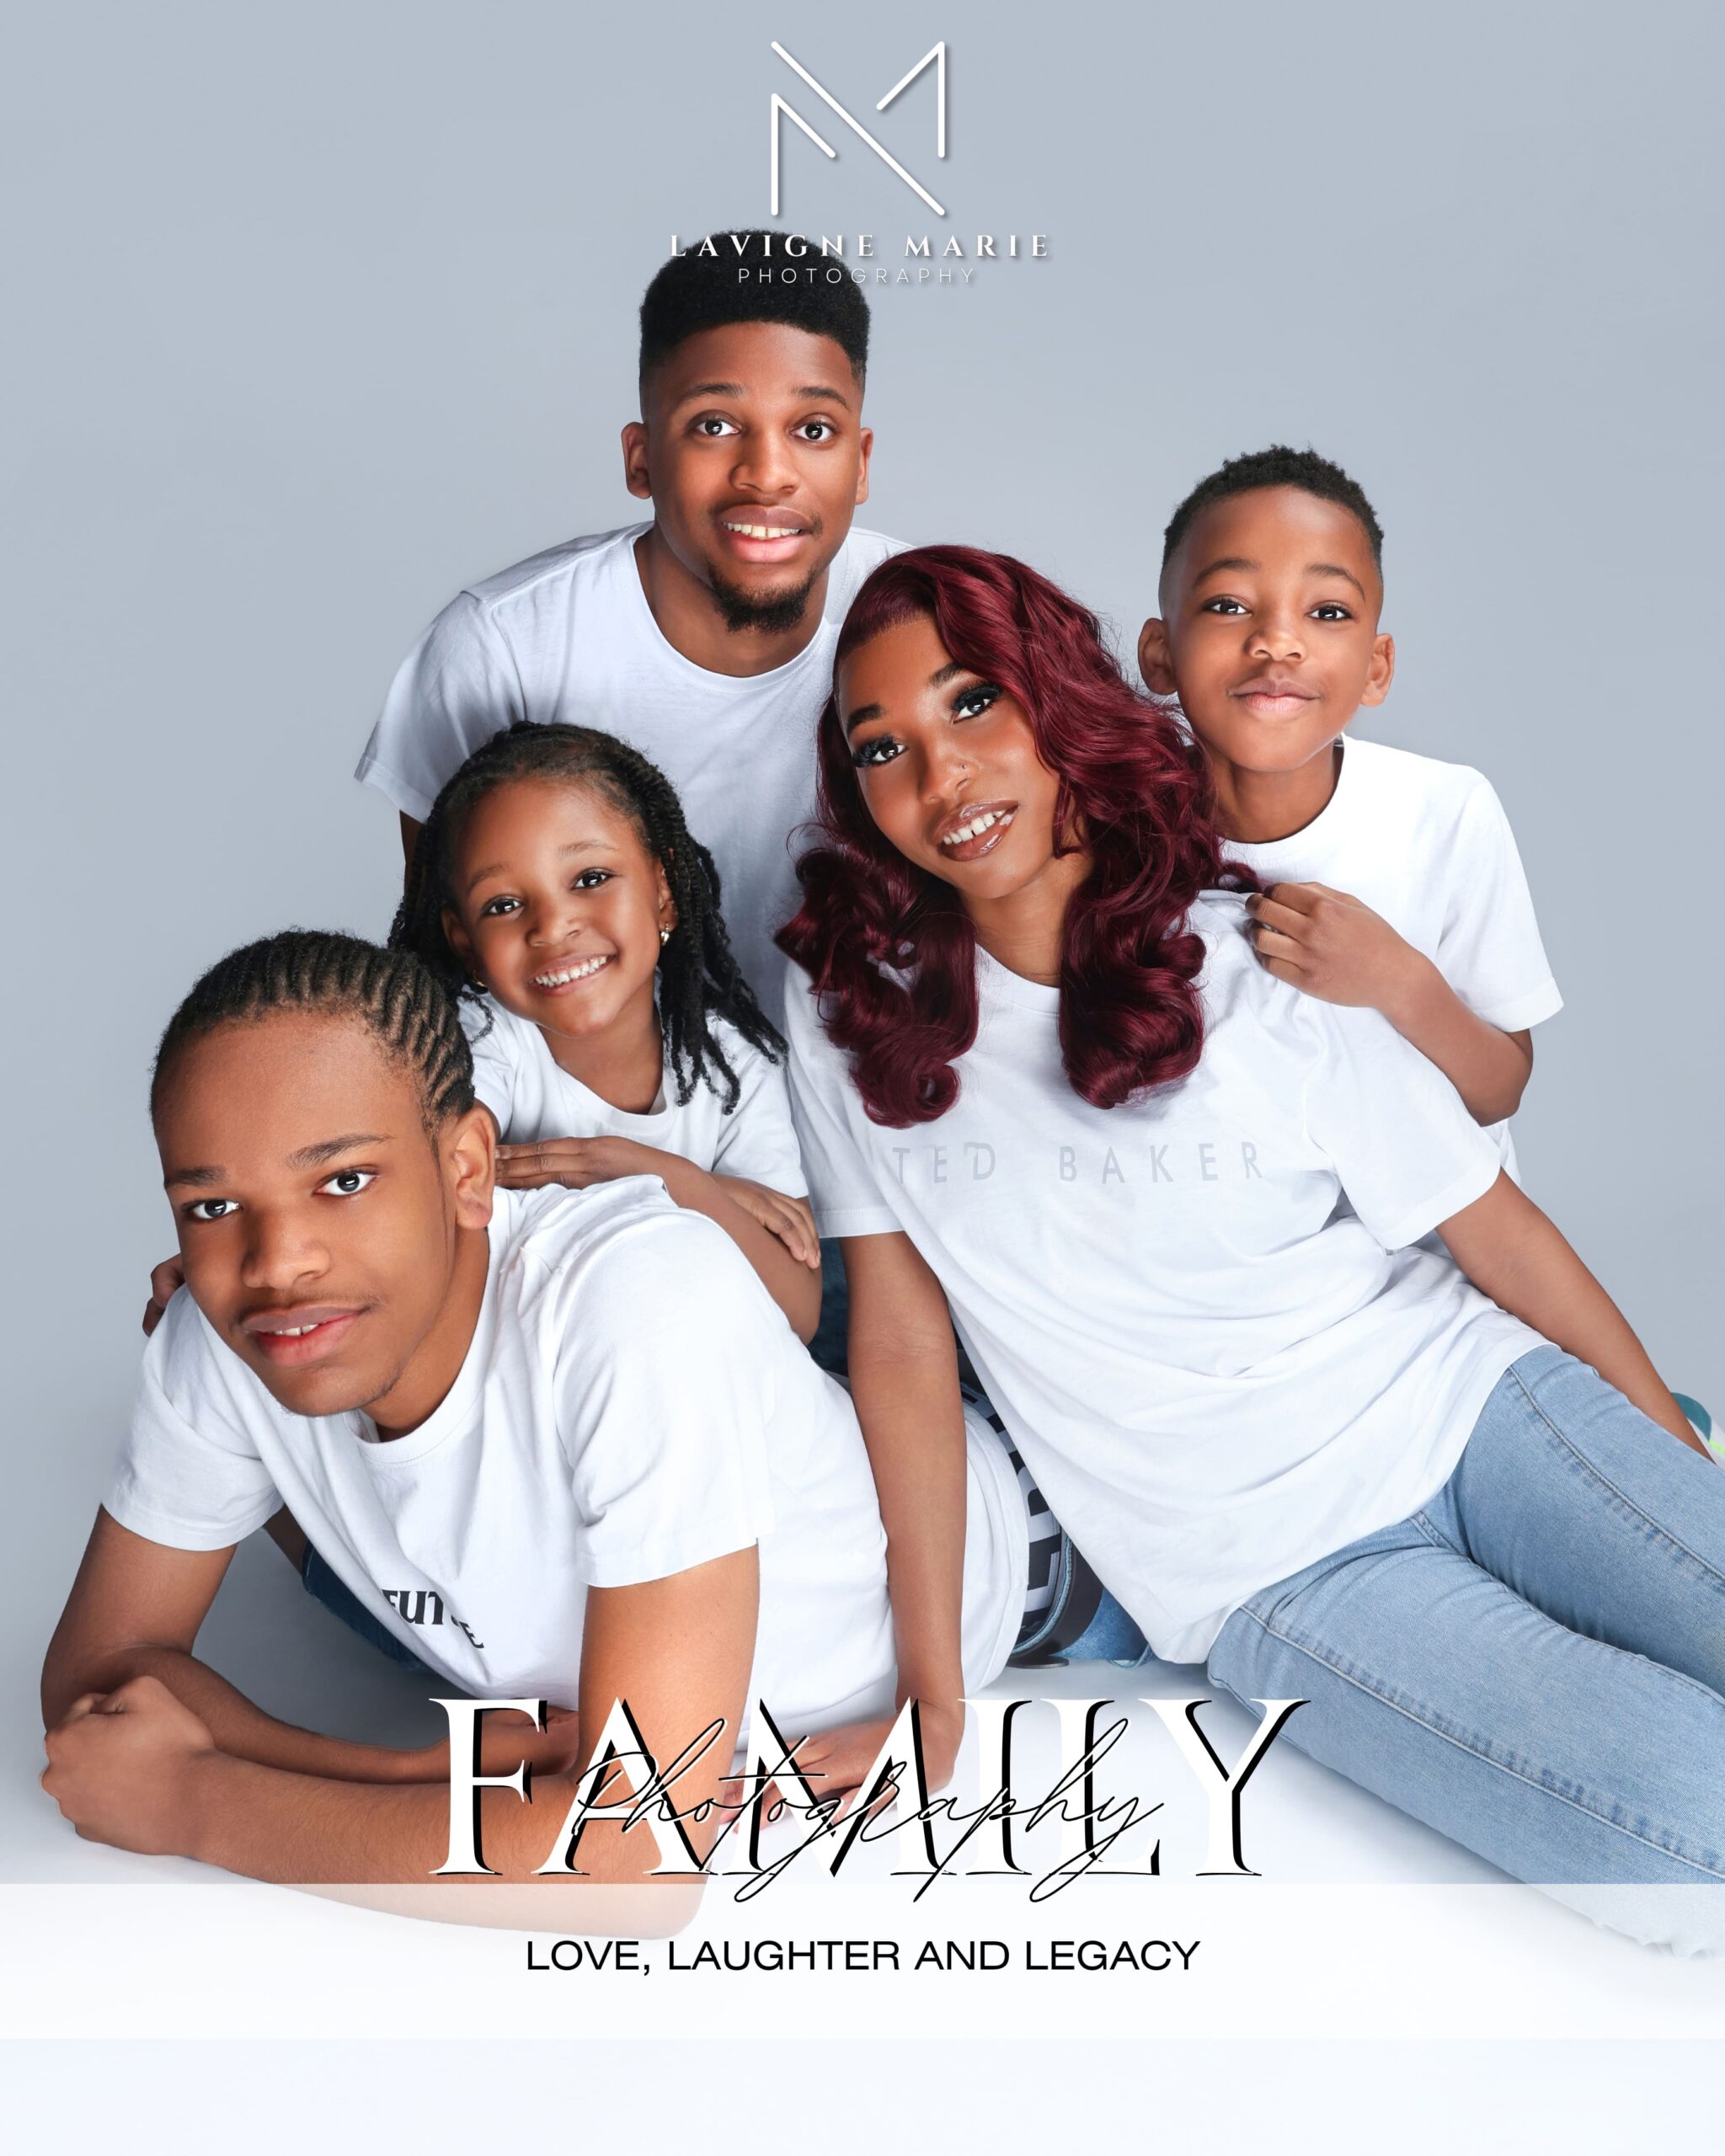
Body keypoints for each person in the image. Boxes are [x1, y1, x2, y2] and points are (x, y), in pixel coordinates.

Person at [777, 544, 1725, 1940]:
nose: (941, 774)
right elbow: (906, 1353)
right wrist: (935, 1699)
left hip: (1475, 1411)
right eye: (883, 747)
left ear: (1057, 700)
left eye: (973, 702)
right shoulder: (853, 1014)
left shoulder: (1246, 956)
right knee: (1691, 1838)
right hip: (1269, 1567)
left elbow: (1497, 1235)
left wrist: (1672, 1476)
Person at [40, 933, 1030, 1894]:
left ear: (468, 1167)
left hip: (1023, 1556)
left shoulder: (644, 1301)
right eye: (212, 1207)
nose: (277, 1262)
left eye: (343, 1181)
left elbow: (632, 1855)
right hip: (513, 1629)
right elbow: (99, 1687)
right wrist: (414, 1769)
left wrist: (197, 1802)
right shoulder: (229, 1326)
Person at [355, 231, 900, 1026]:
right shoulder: (501, 650)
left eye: (813, 429)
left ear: (861, 462)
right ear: (640, 459)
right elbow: (454, 964)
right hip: (595, 1100)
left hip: (883, 1088)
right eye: (714, 425)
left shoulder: (932, 620)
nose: (767, 474)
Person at [1137, 445, 1557, 1171]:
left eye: (1328, 611)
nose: (1277, 642)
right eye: (1228, 605)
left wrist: (1398, 979)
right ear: (1160, 653)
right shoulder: (1114, 826)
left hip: (1432, 1232)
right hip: (1230, 1223)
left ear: (1376, 667)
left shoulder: (1444, 812)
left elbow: (1499, 1092)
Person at [388, 719, 821, 1342]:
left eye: (590, 879)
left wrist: (658, 1175)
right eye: (504, 905)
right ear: (466, 945)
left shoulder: (731, 1063)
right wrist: (710, 1198)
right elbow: (434, 1191)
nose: (552, 926)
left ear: (663, 891)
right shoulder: (482, 1038)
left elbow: (798, 1313)